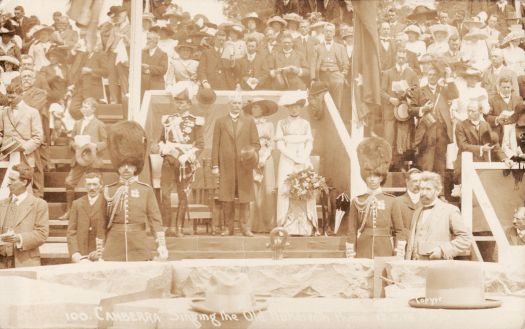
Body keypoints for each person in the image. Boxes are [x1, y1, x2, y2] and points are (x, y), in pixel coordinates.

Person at [100, 121, 167, 262]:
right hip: (114, 247)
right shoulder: (108, 191)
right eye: (122, 165)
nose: (125, 169)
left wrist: (161, 244)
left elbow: (155, 220)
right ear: (117, 166)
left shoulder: (145, 191)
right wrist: (100, 249)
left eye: (130, 165)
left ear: (135, 167)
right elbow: (101, 223)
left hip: (139, 245)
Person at [346, 137, 405, 258]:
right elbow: (352, 231)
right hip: (363, 247)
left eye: (376, 176)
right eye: (369, 176)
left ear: (382, 177)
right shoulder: (357, 201)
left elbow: (399, 230)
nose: (372, 179)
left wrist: (398, 251)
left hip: (385, 248)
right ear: (365, 177)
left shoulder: (391, 201)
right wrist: (351, 251)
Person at [211, 90, 260, 237]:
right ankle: (228, 228)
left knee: (245, 197)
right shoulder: (220, 122)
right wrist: (215, 166)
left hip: (244, 167)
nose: (236, 106)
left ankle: (245, 228)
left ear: (242, 104)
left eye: (239, 103)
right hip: (226, 166)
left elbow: (256, 144)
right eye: (233, 103)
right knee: (227, 198)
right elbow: (215, 145)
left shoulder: (249, 121)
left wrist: (250, 154)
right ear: (228, 104)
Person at [158, 88, 204, 237]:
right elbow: (161, 141)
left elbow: (200, 145)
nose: (179, 105)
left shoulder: (195, 121)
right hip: (169, 160)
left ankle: (179, 227)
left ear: (189, 104)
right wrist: (164, 149)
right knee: (164, 194)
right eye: (177, 102)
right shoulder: (168, 120)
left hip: (186, 162)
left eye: (182, 103)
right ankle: (167, 226)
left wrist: (189, 155)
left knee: (182, 195)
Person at [275, 92, 318, 236]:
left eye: (297, 107)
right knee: (286, 188)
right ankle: (286, 226)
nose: (294, 110)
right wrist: (293, 157)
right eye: (291, 107)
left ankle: (305, 226)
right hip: (287, 159)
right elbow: (280, 145)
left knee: (305, 188)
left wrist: (303, 158)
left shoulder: (306, 124)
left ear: (301, 108)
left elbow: (309, 143)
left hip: (303, 158)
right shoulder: (281, 123)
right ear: (287, 108)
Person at [405, 171, 472, 260]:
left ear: (438, 191)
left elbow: (466, 239)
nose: (423, 193)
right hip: (415, 269)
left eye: (428, 189)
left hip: (438, 268)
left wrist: (442, 250)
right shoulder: (417, 212)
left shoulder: (450, 210)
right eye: (421, 189)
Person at [60, 98, 107, 219]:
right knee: (69, 182)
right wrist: (74, 145)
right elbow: (71, 139)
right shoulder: (77, 123)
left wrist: (95, 146)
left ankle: (97, 211)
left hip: (93, 160)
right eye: (83, 106)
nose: (84, 109)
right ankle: (69, 210)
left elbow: (106, 142)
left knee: (95, 184)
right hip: (79, 159)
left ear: (93, 109)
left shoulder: (99, 124)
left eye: (87, 106)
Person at [410, 64, 458, 175]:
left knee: (440, 162)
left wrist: (449, 77)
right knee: (427, 161)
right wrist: (423, 108)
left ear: (438, 77)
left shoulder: (444, 90)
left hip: (442, 131)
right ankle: (426, 189)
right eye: (430, 75)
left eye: (435, 75)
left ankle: (439, 191)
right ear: (427, 76)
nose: (432, 77)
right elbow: (411, 109)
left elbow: (455, 94)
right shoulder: (420, 91)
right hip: (426, 130)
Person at [0, 163, 48, 268]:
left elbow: (42, 234)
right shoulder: (2, 204)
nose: (8, 183)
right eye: (9, 179)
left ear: (24, 182)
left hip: (26, 262)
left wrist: (19, 238)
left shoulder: (38, 204)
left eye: (12, 180)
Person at [243, 98, 277, 233]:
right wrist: (253, 158)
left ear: (263, 110)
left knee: (268, 190)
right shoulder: (247, 124)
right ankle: (253, 225)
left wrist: (264, 156)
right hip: (251, 157)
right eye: (253, 108)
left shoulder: (269, 125)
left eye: (257, 107)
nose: (254, 110)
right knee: (253, 191)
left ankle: (269, 224)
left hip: (266, 157)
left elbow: (272, 143)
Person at [380, 48, 418, 169]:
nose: (401, 59)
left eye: (403, 57)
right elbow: (381, 91)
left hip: (404, 113)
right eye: (399, 57)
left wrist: (408, 94)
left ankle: (400, 166)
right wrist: (391, 99)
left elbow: (417, 90)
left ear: (406, 58)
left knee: (403, 141)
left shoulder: (412, 74)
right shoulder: (387, 73)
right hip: (390, 111)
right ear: (395, 58)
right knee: (389, 138)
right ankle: (387, 166)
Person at [0, 83, 43, 172]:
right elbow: (1, 132)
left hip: (25, 157)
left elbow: (38, 137)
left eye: (13, 97)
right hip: (5, 158)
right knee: (4, 185)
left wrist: (24, 148)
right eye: (8, 97)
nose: (10, 100)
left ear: (21, 95)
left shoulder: (32, 112)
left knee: (23, 184)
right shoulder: (4, 112)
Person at [67, 172, 106, 263]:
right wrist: (75, 253)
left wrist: (103, 250)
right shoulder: (77, 204)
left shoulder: (106, 203)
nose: (92, 188)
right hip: (81, 254)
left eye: (95, 184)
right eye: (89, 184)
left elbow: (111, 230)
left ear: (101, 185)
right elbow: (71, 231)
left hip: (100, 254)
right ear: (85, 185)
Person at [310, 23, 349, 112]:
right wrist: (313, 78)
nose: (328, 33)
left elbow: (346, 63)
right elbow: (313, 64)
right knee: (320, 100)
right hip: (321, 75)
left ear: (334, 33)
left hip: (336, 74)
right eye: (326, 31)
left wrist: (343, 74)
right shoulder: (317, 48)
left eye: (330, 31)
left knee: (338, 86)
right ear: (323, 32)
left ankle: (336, 114)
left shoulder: (340, 47)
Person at [487, 76, 522, 144]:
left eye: (508, 87)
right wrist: (497, 119)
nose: (506, 89)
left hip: (516, 131)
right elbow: (486, 117)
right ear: (499, 87)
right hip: (499, 132)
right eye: (504, 87)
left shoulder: (518, 99)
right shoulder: (492, 100)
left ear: (512, 87)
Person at [392, 168, 422, 240]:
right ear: (407, 181)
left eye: (420, 181)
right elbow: (395, 228)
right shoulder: (397, 202)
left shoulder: (427, 202)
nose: (418, 184)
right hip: (403, 244)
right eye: (415, 181)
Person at [141, 30, 168, 98]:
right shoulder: (142, 52)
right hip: (142, 85)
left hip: (156, 84)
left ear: (156, 40)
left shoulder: (162, 54)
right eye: (147, 38)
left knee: (155, 106)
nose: (147, 41)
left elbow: (163, 69)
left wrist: (149, 67)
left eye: (149, 39)